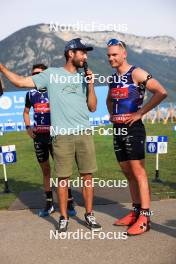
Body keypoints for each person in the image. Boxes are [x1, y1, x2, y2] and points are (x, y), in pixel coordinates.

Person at [0, 38, 102, 233]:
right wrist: (2, 68)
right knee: (63, 178)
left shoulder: (84, 76)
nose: (85, 56)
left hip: (84, 133)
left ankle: (89, 215)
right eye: (82, 52)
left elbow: (93, 106)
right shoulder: (51, 74)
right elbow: (20, 82)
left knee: (87, 176)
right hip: (61, 136)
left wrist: (90, 85)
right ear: (71, 54)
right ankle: (63, 218)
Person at [106, 38, 167, 236]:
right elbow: (109, 99)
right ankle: (135, 212)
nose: (111, 58)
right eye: (108, 55)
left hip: (134, 129)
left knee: (138, 171)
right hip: (118, 129)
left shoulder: (136, 72)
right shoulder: (113, 78)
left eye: (114, 54)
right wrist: (113, 116)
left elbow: (161, 92)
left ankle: (145, 217)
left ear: (124, 54)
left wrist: (141, 113)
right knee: (127, 172)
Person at [23, 63, 76, 217]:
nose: (36, 76)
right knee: (46, 171)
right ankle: (49, 204)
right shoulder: (30, 94)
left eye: (39, 73)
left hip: (56, 136)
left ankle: (69, 202)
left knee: (63, 172)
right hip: (39, 137)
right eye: (33, 74)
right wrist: (28, 127)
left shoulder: (55, 90)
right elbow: (26, 112)